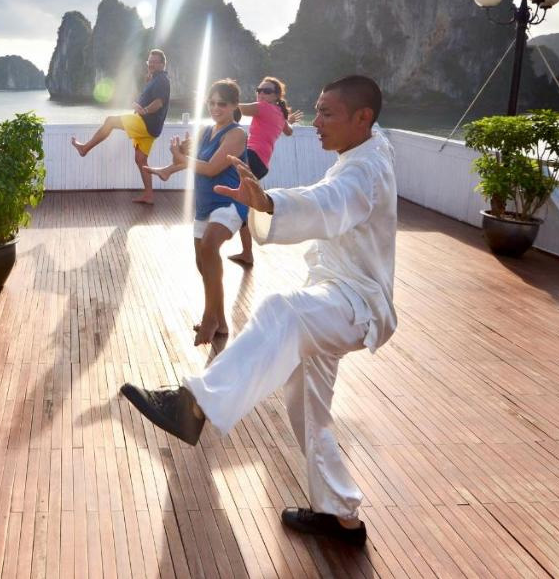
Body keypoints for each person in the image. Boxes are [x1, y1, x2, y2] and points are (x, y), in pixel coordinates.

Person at [119, 75, 396, 548]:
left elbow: (330, 203)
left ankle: (195, 405)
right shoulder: (370, 149)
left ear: (362, 118)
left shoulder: (362, 173)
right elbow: (329, 192)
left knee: (280, 311)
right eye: (317, 111)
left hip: (355, 303)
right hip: (334, 295)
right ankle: (340, 515)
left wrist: (269, 200)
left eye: (328, 113)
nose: (316, 123)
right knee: (308, 410)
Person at [145, 75, 302, 266]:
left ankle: (169, 170)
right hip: (262, 163)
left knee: (215, 168)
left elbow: (236, 107)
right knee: (241, 199)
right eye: (259, 90)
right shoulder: (279, 113)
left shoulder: (262, 107)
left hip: (250, 156)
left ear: (277, 95)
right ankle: (247, 252)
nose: (261, 94)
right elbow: (289, 131)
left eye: (266, 91)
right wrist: (288, 119)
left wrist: (212, 100)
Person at [165, 79, 249, 345]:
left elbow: (211, 168)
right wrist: (177, 157)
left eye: (221, 104)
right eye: (211, 103)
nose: (215, 108)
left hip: (229, 201)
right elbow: (194, 161)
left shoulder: (237, 134)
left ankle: (209, 316)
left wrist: (182, 159)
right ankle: (221, 322)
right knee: (203, 263)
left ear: (235, 105)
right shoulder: (205, 131)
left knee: (210, 247)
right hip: (204, 204)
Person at [71, 49, 171, 204]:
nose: (150, 64)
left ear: (163, 64)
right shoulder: (155, 78)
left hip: (145, 123)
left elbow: (158, 103)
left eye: (154, 62)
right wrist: (140, 102)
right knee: (141, 160)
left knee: (110, 121)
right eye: (149, 61)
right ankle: (149, 195)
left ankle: (85, 148)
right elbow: (152, 99)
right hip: (152, 128)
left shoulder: (162, 80)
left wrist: (143, 110)